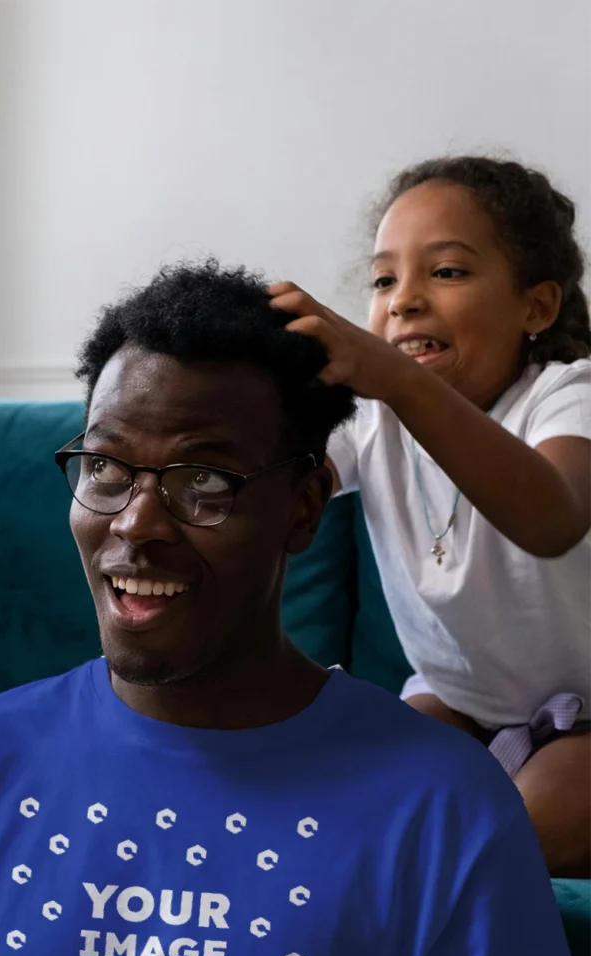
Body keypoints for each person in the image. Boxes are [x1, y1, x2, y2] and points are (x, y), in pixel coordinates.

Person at [0, 261, 591, 956]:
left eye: (205, 482)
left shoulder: (442, 804)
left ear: (304, 508)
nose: (138, 522)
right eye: (107, 467)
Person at [270, 156, 591, 879]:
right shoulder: (370, 416)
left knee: (512, 839)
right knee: (346, 810)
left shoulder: (568, 395)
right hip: (460, 703)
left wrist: (398, 380)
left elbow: (554, 518)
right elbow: (285, 487)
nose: (403, 300)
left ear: (535, 308)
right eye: (384, 280)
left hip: (589, 722)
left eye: (445, 272)